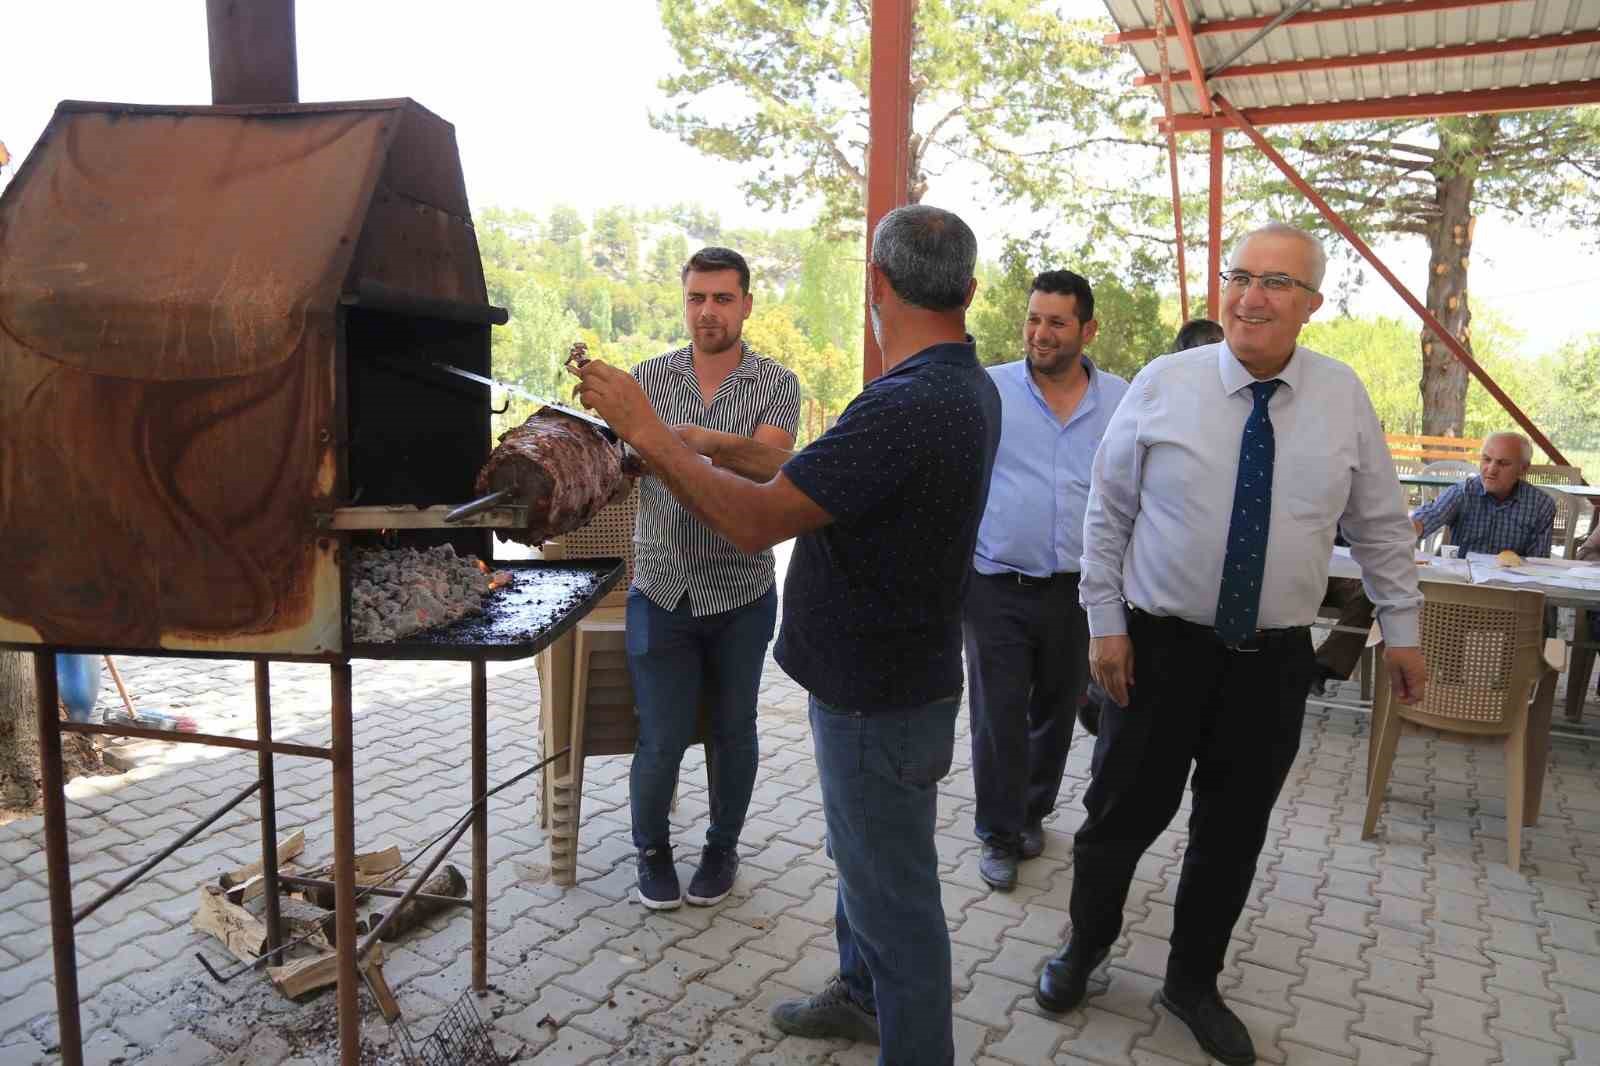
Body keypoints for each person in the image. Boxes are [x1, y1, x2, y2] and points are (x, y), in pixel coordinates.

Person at [573, 204, 1001, 1066]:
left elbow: (756, 519)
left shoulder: (907, 405)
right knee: (866, 865)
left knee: (896, 901)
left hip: (876, 698)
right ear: (971, 289)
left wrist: (649, 430)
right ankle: (859, 991)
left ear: (876, 284)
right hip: (891, 680)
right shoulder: (969, 383)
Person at [1035, 222, 1428, 1066]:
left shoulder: (1342, 396)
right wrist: (1104, 622)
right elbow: (1107, 513)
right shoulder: (1164, 385)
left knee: (1233, 830)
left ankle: (1192, 981)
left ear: (1313, 304)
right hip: (1156, 648)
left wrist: (1404, 630)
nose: (1253, 297)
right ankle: (1084, 949)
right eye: (1240, 276)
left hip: (1271, 662)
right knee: (1118, 818)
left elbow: (1382, 526)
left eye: (1278, 283)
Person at [624, 246, 801, 910]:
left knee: (734, 729)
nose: (708, 312)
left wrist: (703, 444)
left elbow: (769, 469)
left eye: (723, 299)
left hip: (742, 593)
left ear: (747, 305)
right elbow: (622, 462)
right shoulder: (645, 379)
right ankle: (650, 851)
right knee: (662, 736)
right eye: (697, 297)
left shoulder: (776, 384)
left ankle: (722, 847)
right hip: (662, 589)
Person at [964, 269, 1128, 891]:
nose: (1041, 333)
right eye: (1034, 319)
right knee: (997, 713)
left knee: (1056, 711)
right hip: (996, 584)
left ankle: (1032, 811)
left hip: (1078, 590)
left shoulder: (1121, 399)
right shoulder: (991, 389)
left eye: (1057, 322)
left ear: (1087, 329)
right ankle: (998, 834)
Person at [1310, 430, 1556, 695]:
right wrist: (1397, 532)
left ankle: (1514, 694)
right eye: (1486, 459)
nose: (1490, 469)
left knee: (1542, 611)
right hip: (1460, 594)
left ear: (1523, 469)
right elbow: (1424, 520)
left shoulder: (1541, 505)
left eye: (1503, 463)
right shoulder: (1464, 492)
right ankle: (1445, 689)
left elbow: (1537, 565)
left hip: (1510, 595)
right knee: (1417, 598)